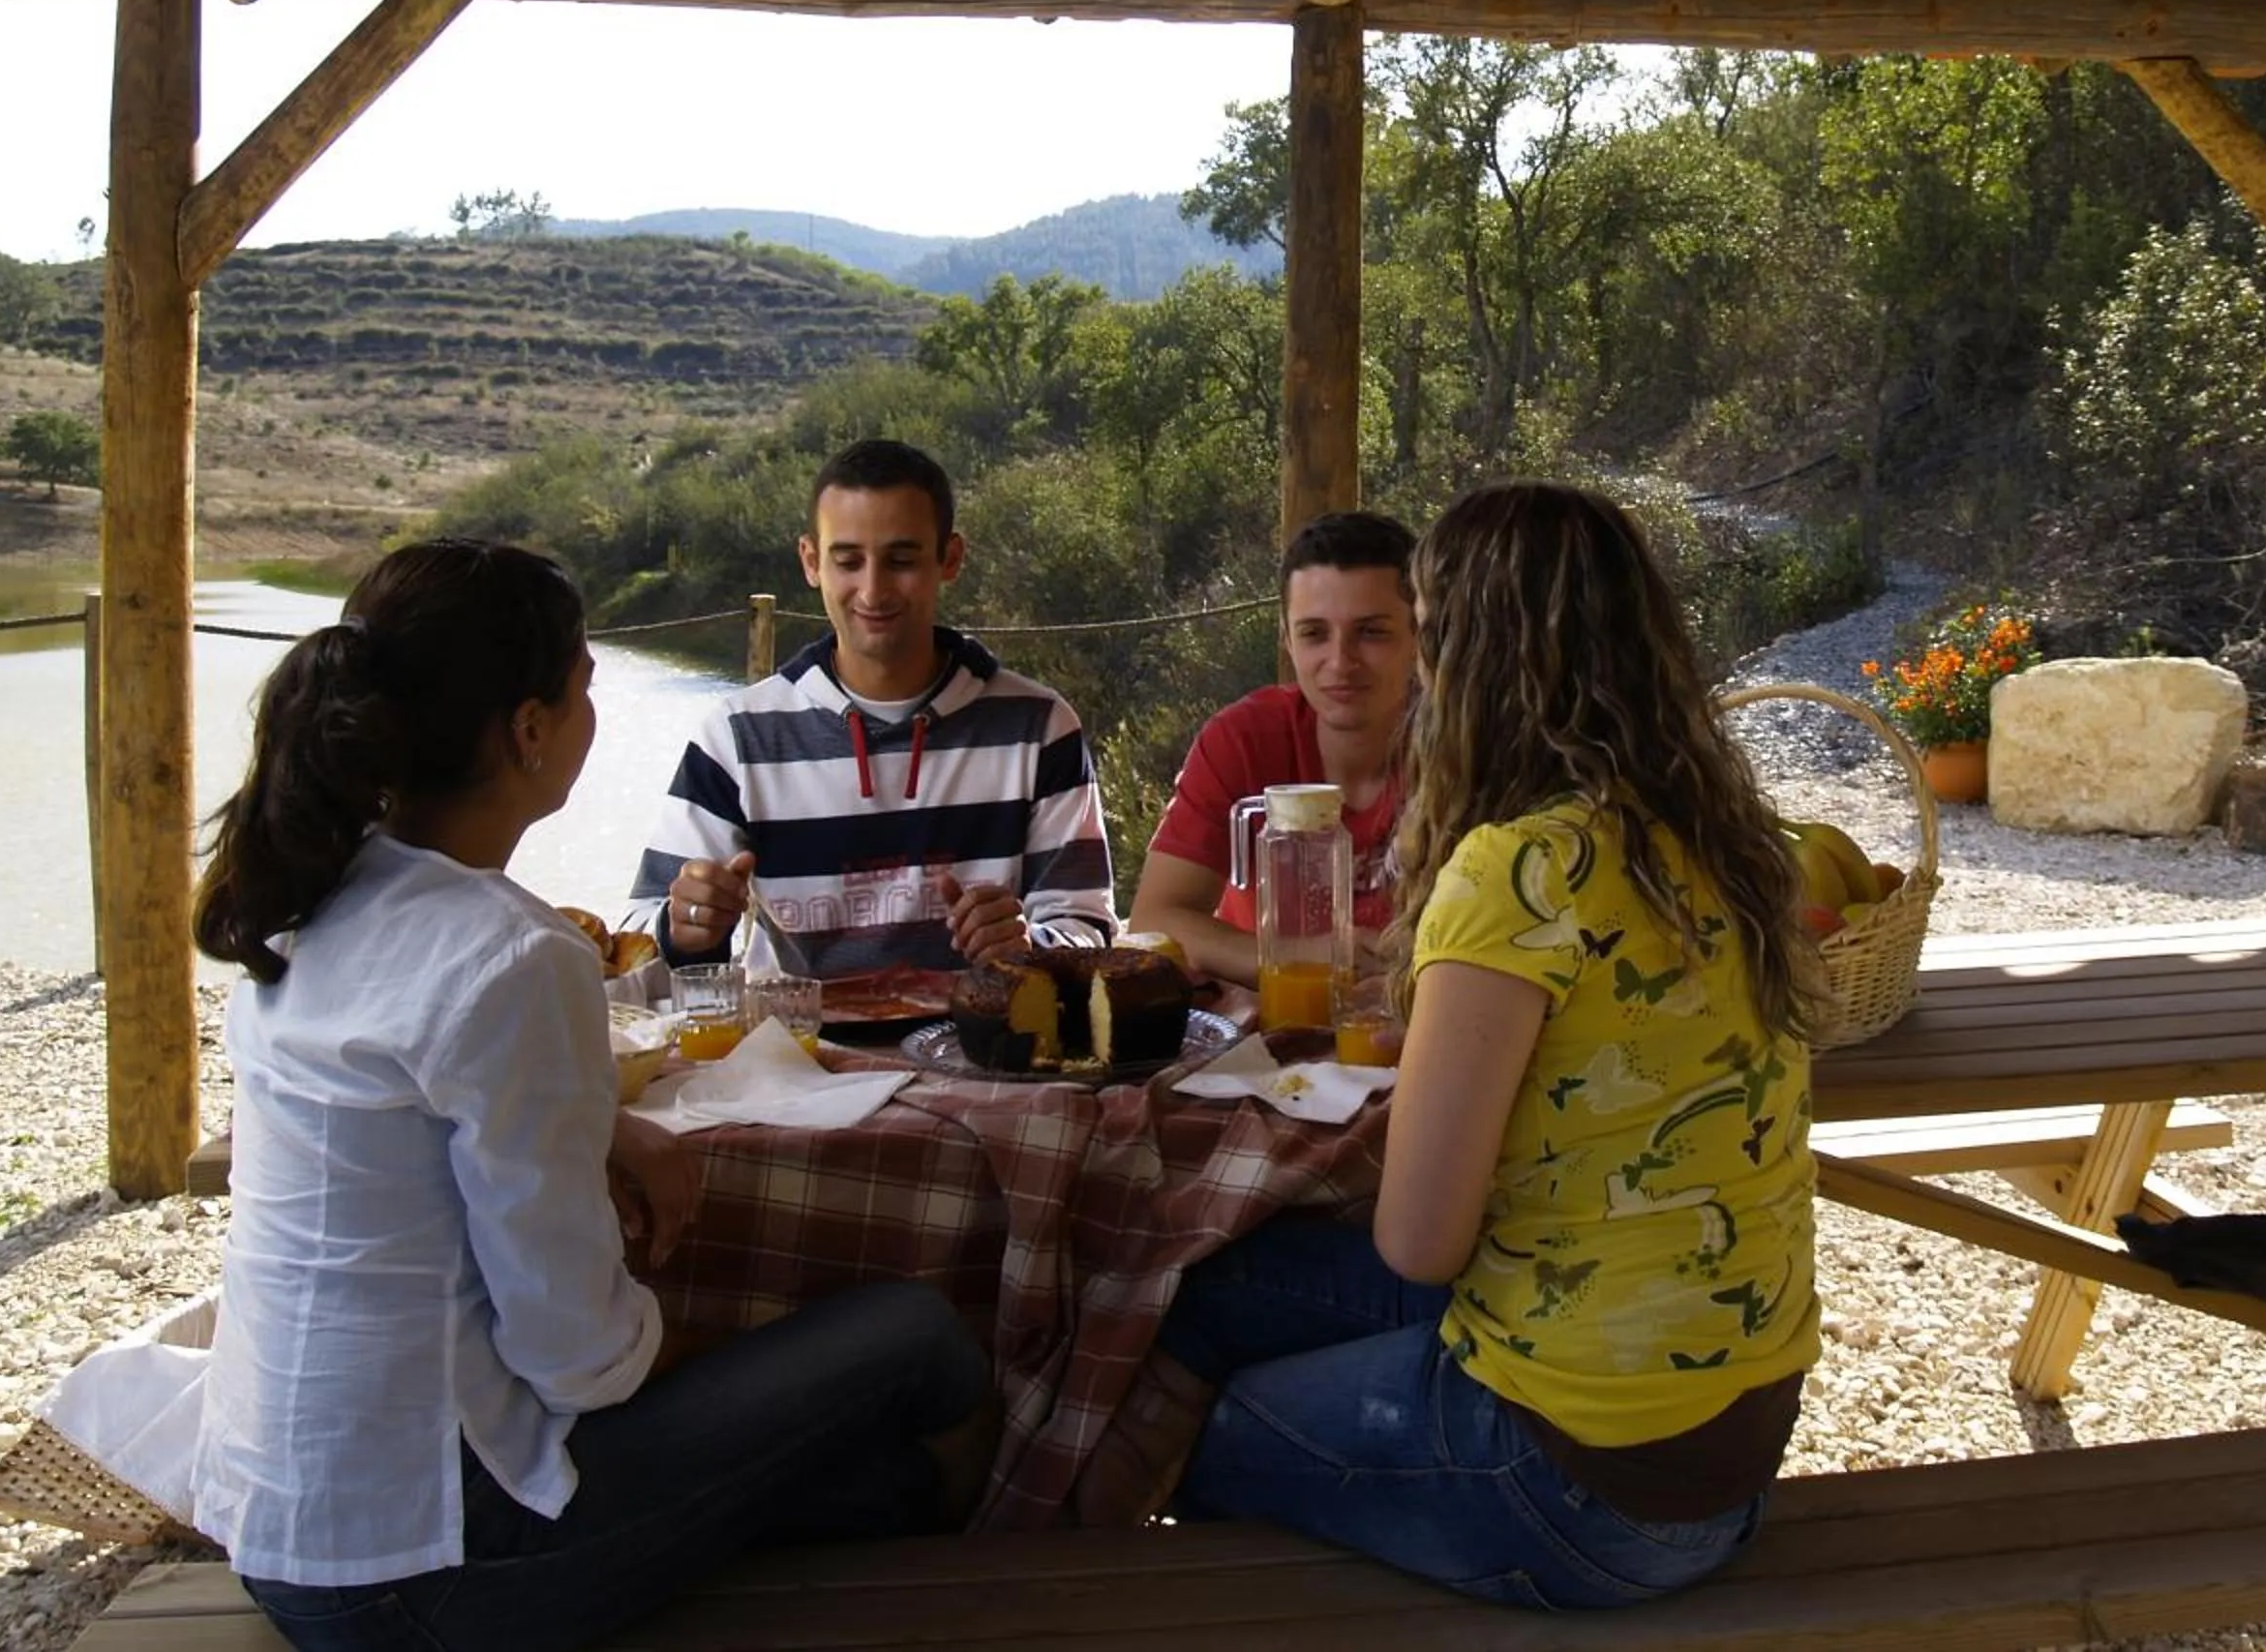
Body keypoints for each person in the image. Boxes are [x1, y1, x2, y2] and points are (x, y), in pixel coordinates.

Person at [112, 538, 987, 1652]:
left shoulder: (312, 896)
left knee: (866, 1488)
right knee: (911, 1338)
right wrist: (737, 1349)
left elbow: (414, 1113)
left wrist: (602, 1122)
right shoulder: (513, 958)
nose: (589, 712)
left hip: (278, 1529)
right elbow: (579, 1357)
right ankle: (988, 1595)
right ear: (528, 730)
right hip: (426, 1572)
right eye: (580, 687)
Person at [1138, 480, 1827, 1607]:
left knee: (1206, 1432)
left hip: (1587, 1492)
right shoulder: (1726, 841)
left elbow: (1417, 1243)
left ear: (1463, 653)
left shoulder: (1517, 870)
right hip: (1733, 1448)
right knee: (1215, 1291)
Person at [631, 439, 1117, 976]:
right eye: (848, 561)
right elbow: (637, 939)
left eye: (901, 561)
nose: (873, 590)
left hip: (986, 1050)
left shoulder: (1040, 727)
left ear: (949, 559)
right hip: (796, 1055)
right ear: (811, 563)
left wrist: (1028, 949)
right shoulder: (738, 735)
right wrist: (685, 926)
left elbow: (1089, 930)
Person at [1130, 510, 1415, 983]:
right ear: (1286, 638)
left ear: (1422, 634)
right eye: (1314, 634)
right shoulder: (1243, 738)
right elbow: (1156, 919)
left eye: (1372, 632)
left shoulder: (1463, 747)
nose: (1340, 662)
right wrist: (1309, 959)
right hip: (1269, 1033)